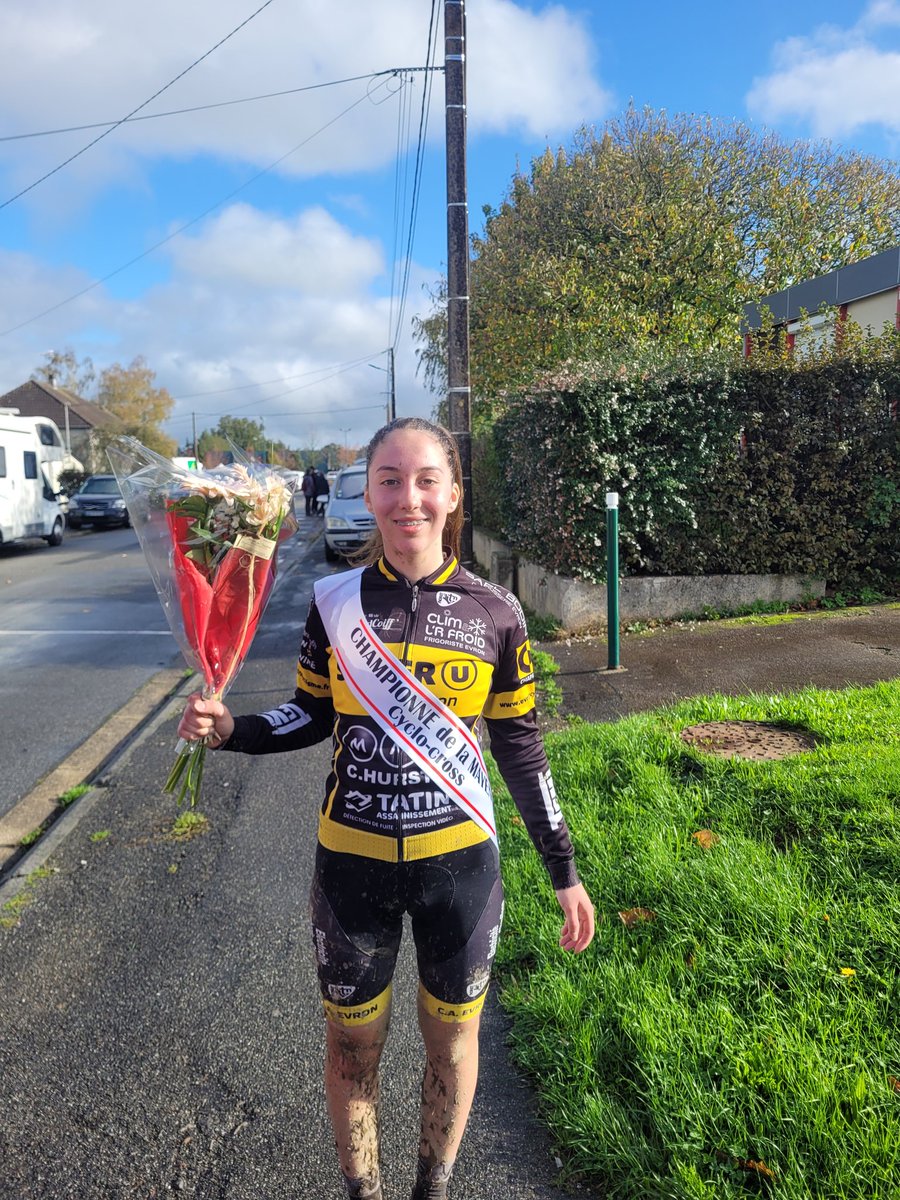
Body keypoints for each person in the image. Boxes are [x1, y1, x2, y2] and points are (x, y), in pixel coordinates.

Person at [176, 417, 595, 1200]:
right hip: (352, 871)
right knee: (352, 1047)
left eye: (427, 479)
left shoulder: (497, 613)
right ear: (366, 493)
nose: (410, 498)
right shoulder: (332, 604)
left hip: (460, 872)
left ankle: (431, 1193)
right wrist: (231, 730)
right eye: (391, 480)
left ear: (454, 494)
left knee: (453, 1044)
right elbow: (309, 715)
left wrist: (563, 870)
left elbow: (521, 749)